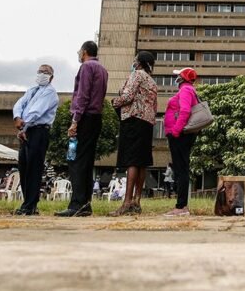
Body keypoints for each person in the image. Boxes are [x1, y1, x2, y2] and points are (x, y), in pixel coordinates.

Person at [57, 41, 109, 217]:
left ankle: (76, 204)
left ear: (85, 52)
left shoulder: (87, 67)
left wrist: (75, 120)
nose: (79, 54)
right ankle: (85, 204)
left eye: (80, 51)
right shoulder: (102, 69)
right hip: (96, 116)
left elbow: (83, 94)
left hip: (85, 116)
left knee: (77, 161)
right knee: (86, 161)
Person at [110, 51, 158, 216]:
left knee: (131, 160)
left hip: (134, 119)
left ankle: (126, 202)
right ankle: (137, 201)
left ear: (139, 62)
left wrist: (114, 102)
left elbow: (128, 96)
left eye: (135, 59)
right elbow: (155, 106)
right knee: (142, 161)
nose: (134, 62)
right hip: (147, 122)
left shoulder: (137, 74)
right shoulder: (152, 81)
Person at [12, 64, 58, 216]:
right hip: (26, 130)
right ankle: (28, 202)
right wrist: (17, 117)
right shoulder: (32, 90)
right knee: (24, 167)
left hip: (38, 131)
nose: (42, 74)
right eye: (40, 71)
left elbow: (36, 111)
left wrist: (24, 127)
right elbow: (20, 104)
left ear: (51, 76)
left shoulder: (50, 93)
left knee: (34, 169)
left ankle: (30, 204)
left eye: (46, 72)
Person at [163, 67, 199, 217]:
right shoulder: (188, 90)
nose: (176, 78)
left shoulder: (185, 90)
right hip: (182, 135)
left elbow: (185, 111)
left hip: (180, 135)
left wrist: (175, 131)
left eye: (178, 75)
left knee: (181, 169)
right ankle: (181, 205)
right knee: (181, 168)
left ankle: (181, 206)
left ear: (183, 77)